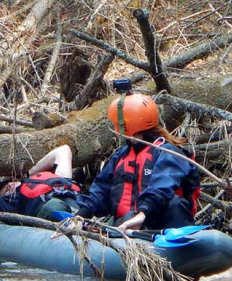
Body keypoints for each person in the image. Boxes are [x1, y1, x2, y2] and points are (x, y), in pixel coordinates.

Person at [74, 93, 200, 232]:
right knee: (127, 216)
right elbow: (101, 190)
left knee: (174, 203)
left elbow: (162, 185)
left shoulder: (168, 151)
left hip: (160, 226)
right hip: (126, 226)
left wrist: (143, 213)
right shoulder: (121, 155)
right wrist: (81, 215)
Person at [0, 145, 81, 221]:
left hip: (78, 203)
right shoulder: (9, 206)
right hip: (52, 209)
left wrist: (27, 174)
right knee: (55, 206)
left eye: (10, 184)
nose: (9, 185)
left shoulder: (60, 180)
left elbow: (63, 150)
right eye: (6, 192)